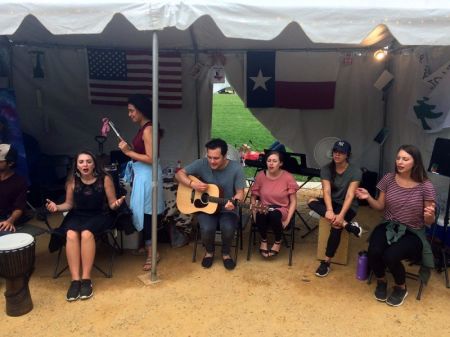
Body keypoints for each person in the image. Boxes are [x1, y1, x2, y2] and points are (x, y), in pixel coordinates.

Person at [355, 144, 436, 307]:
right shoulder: (388, 179)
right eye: (398, 158)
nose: (400, 162)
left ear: (415, 162)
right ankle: (381, 281)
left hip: (413, 232)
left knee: (390, 255)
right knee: (374, 250)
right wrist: (368, 197)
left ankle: (401, 287)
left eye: (405, 159)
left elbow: (429, 221)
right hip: (389, 225)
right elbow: (379, 207)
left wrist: (429, 216)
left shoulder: (425, 185)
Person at [46, 150, 125, 301]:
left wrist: (117, 204)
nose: (85, 164)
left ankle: (86, 280)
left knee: (86, 233)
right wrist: (57, 207)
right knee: (70, 233)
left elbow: (112, 204)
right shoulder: (72, 182)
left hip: (100, 215)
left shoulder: (105, 179)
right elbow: (68, 204)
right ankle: (75, 280)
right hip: (77, 214)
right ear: (76, 165)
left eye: (88, 161)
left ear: (94, 164)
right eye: (81, 162)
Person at [175, 138, 245, 270]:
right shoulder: (202, 163)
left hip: (227, 208)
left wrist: (235, 201)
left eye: (216, 158)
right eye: (209, 157)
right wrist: (192, 184)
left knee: (228, 228)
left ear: (224, 156)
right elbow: (179, 174)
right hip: (206, 208)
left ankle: (225, 253)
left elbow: (240, 193)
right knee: (207, 229)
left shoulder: (236, 169)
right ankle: (209, 252)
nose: (212, 161)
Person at [118, 94, 165, 271]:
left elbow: (151, 158)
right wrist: (129, 151)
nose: (129, 114)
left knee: (148, 214)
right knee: (144, 212)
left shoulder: (148, 129)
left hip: (148, 176)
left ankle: (153, 253)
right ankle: (148, 247)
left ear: (141, 110)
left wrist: (128, 152)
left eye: (131, 111)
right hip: (143, 175)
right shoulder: (144, 128)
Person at [307, 140, 363, 277]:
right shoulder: (326, 169)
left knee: (337, 226)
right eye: (335, 151)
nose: (337, 155)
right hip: (331, 202)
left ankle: (326, 262)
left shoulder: (355, 171)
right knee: (311, 201)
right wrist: (330, 211)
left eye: (341, 152)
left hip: (348, 205)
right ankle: (349, 226)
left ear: (347, 155)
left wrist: (341, 215)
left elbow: (350, 195)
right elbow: (326, 191)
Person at [250, 150, 299, 258]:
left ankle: (278, 240)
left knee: (274, 214)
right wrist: (254, 213)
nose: (271, 163)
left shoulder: (288, 177)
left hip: (281, 208)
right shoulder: (260, 176)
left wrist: (287, 220)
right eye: (269, 161)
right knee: (261, 213)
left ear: (280, 163)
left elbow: (294, 201)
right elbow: (253, 197)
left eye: (274, 161)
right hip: (264, 206)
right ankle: (263, 239)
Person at [0, 144, 27, 236]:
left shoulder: (19, 182)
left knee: (7, 237)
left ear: (10, 163)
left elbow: (19, 207)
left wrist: (10, 221)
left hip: (7, 218)